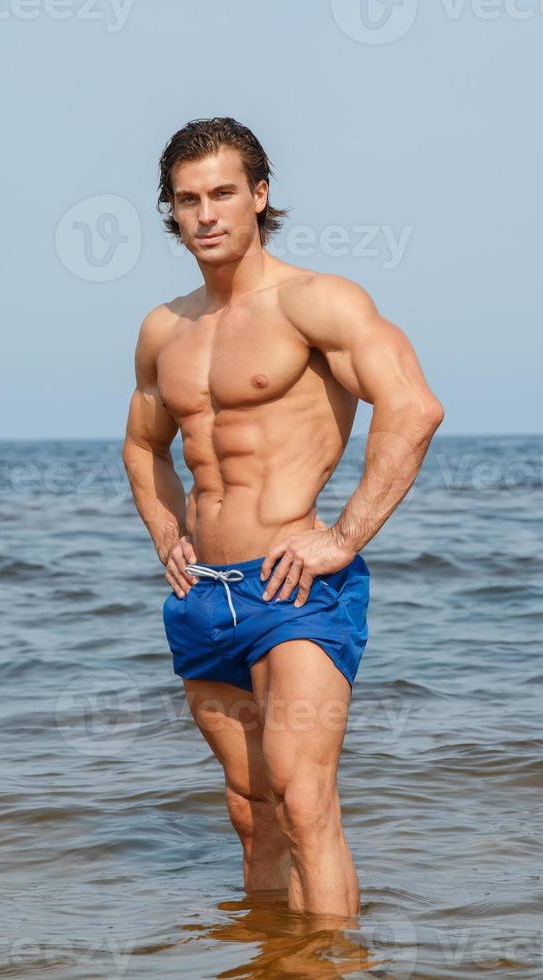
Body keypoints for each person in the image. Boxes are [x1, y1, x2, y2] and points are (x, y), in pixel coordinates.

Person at [122, 116, 444, 921]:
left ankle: (332, 965)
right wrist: (168, 536)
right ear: (171, 209)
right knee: (249, 807)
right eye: (188, 199)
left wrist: (341, 537)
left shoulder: (316, 303)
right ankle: (274, 961)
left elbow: (413, 408)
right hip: (205, 595)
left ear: (260, 196)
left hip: (295, 586)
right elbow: (141, 444)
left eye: (224, 193)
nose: (207, 214)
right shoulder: (165, 329)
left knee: (304, 804)